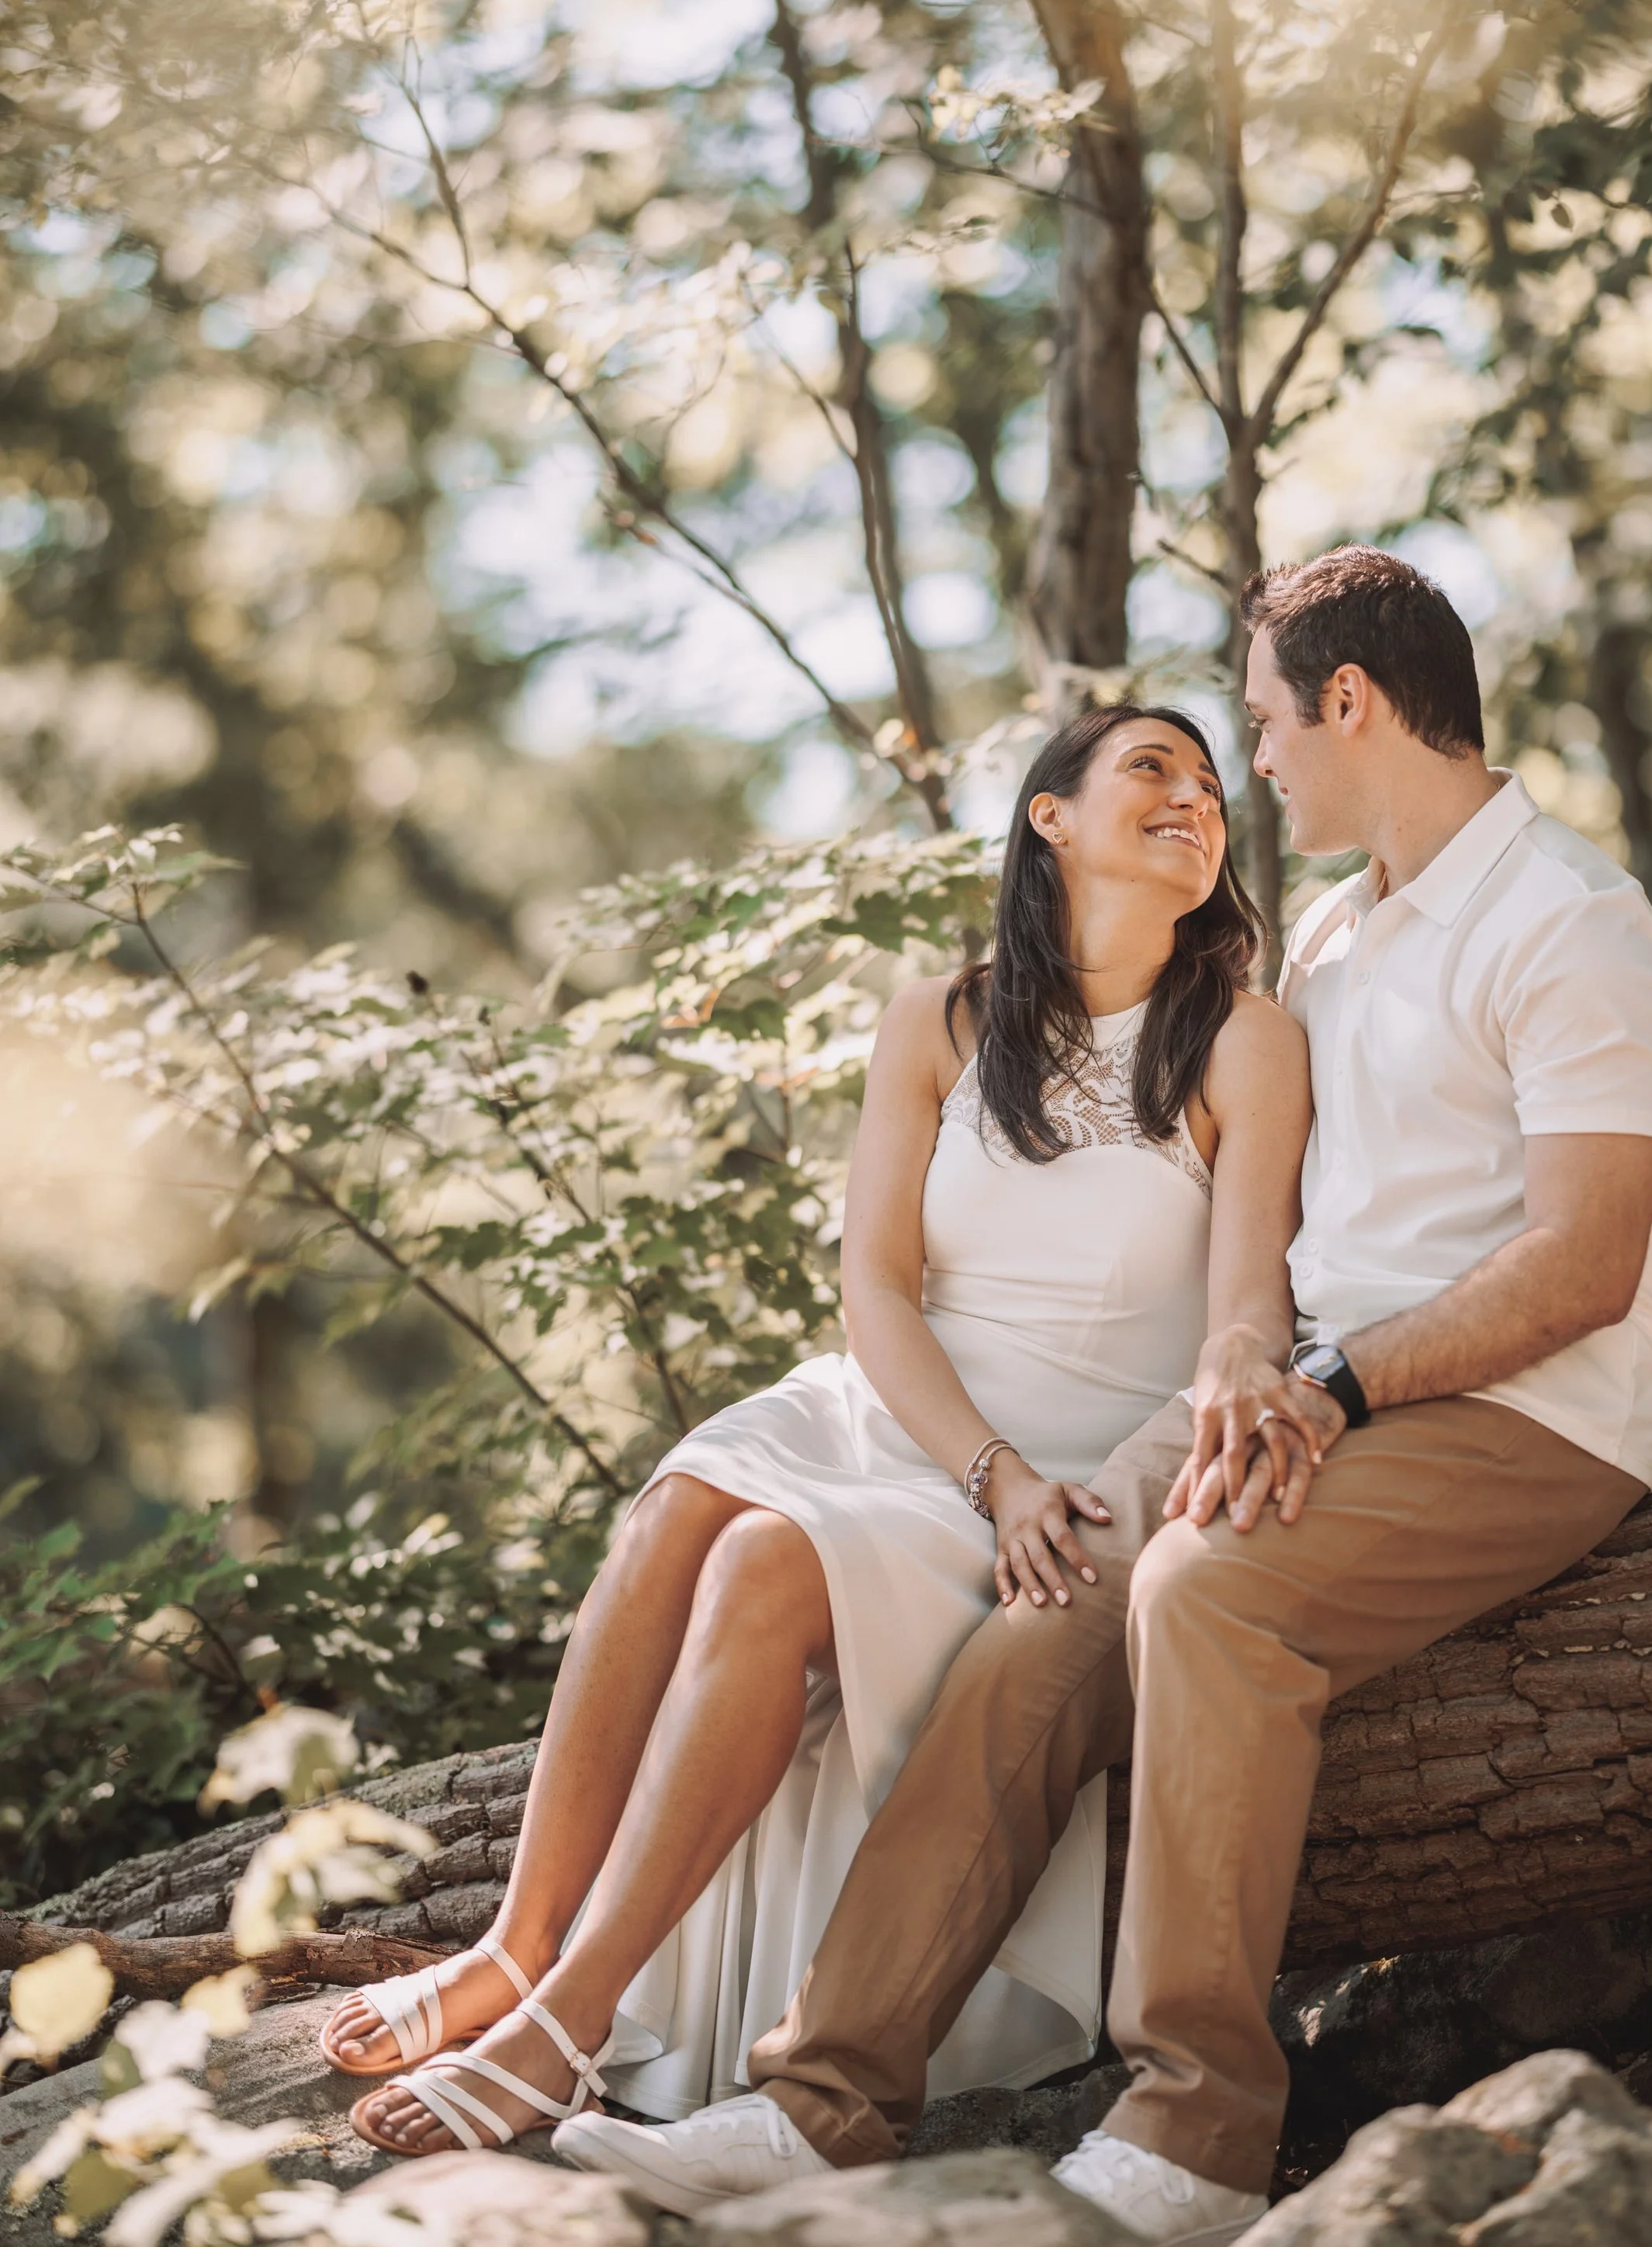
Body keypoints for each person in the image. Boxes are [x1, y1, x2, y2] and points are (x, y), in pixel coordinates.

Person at [580, 544, 1652, 2247]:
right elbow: (1262, 1243)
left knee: (1206, 1583)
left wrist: (1327, 1377)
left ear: (1347, 699)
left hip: (1520, 1416)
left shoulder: (1572, 919)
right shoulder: (1332, 933)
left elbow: (1587, 1261)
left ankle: (1193, 2120)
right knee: (1041, 1620)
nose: (1252, 765)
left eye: (1258, 723)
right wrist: (1253, 1368)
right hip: (1303, 1391)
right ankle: (821, 2096)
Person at [320, 702, 1308, 2158]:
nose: (1197, 798)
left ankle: (566, 2026)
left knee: (768, 1569)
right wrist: (987, 1468)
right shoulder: (943, 1018)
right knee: (675, 1513)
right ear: (1050, 815)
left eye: (1214, 783)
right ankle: (511, 1955)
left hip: (1086, 1466)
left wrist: (1079, 1476)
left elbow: (1243, 1313)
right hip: (916, 1418)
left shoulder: (1242, 1038)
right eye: (1153, 768)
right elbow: (878, 1290)